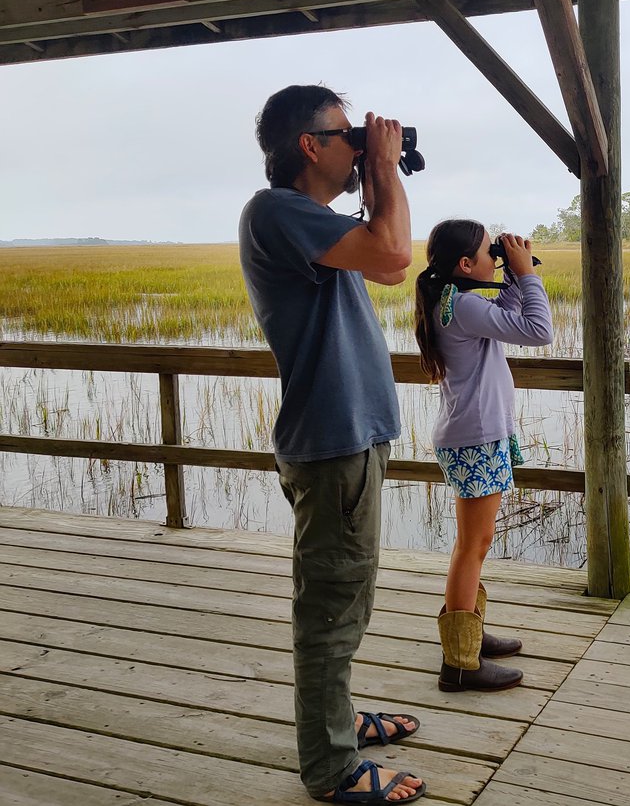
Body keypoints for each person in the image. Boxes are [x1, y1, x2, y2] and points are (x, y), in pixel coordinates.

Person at [239, 85, 426, 803]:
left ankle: (337, 718)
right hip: (331, 444)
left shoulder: (311, 221)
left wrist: (377, 167)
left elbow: (382, 253)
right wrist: (383, 167)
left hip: (349, 439)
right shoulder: (277, 211)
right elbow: (394, 254)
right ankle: (331, 768)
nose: (356, 143)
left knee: (349, 594)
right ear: (308, 146)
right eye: (344, 134)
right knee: (330, 607)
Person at [414, 219, 553, 691]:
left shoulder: (457, 303)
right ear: (465, 265)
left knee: (475, 543)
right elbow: (537, 330)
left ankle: (469, 633)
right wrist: (527, 276)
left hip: (473, 435)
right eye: (488, 253)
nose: (495, 257)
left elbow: (507, 319)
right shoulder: (465, 305)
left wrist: (512, 276)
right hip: (474, 438)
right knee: (472, 547)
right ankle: (459, 663)